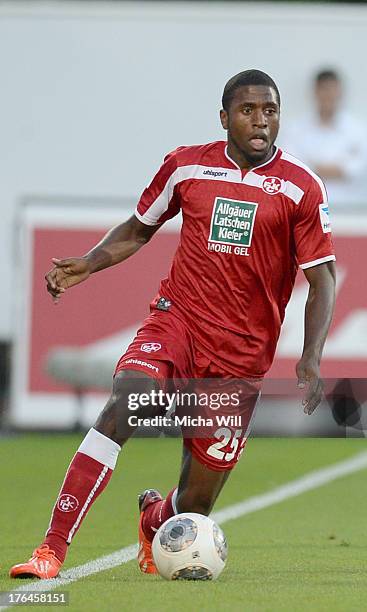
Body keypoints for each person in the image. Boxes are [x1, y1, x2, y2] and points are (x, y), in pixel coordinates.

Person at [10, 69, 336, 580]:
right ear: (224, 117)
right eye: (248, 110)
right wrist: (89, 263)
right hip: (178, 322)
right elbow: (139, 228)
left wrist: (312, 355)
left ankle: (153, 517)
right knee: (127, 400)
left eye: (270, 111)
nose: (260, 121)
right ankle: (50, 550)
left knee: (193, 509)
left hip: (242, 357)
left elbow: (324, 279)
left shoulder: (301, 188)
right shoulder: (186, 167)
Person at [282, 69, 367, 208]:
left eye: (332, 89)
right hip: (308, 209)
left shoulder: (359, 130)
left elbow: (361, 168)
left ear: (340, 92)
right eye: (323, 89)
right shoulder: (295, 129)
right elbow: (291, 167)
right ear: (315, 92)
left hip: (352, 210)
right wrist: (339, 169)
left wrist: (317, 169)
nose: (328, 95)